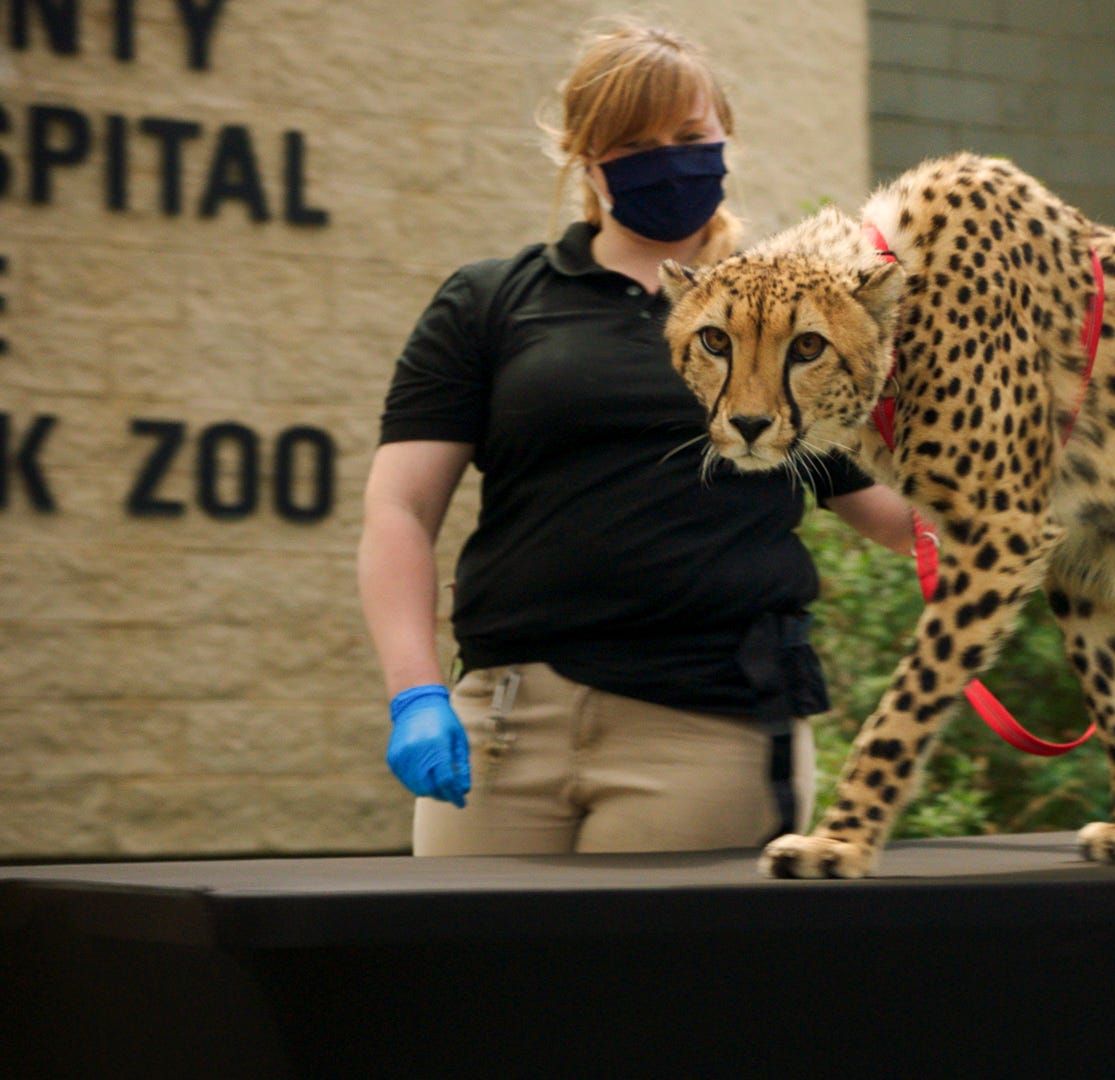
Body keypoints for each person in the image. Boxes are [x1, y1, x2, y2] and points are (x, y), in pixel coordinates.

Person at [357, 19, 913, 856]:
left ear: (725, 137)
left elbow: (893, 511)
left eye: (689, 136)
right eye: (633, 141)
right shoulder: (489, 302)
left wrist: (1034, 470)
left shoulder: (798, 314)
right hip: (504, 728)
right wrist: (415, 695)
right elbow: (400, 507)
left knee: (664, 989)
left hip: (711, 729)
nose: (667, 157)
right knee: (467, 983)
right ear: (585, 158)